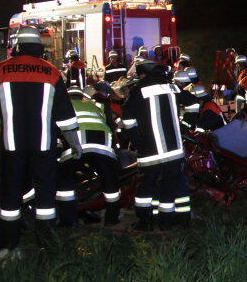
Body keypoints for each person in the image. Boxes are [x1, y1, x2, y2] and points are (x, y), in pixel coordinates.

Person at [0, 25, 81, 255]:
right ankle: (47, 243)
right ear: (39, 47)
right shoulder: (51, 72)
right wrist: (74, 142)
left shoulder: (0, 71)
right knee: (45, 194)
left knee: (10, 194)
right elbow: (65, 115)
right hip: (44, 146)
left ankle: (7, 243)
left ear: (18, 46)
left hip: (11, 146)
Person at [121, 62, 186, 230]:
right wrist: (185, 126)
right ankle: (166, 223)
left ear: (143, 74)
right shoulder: (172, 87)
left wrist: (137, 141)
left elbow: (127, 120)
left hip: (150, 152)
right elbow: (193, 104)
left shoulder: (139, 90)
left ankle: (145, 222)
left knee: (145, 188)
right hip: (174, 150)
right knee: (169, 188)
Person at [55, 85, 121, 227]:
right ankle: (112, 219)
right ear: (82, 96)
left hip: (75, 149)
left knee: (65, 185)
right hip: (102, 148)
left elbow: (55, 131)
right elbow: (111, 125)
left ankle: (68, 222)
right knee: (110, 184)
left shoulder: (61, 106)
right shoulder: (97, 105)